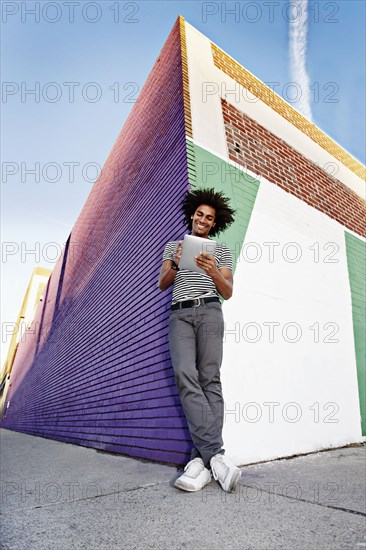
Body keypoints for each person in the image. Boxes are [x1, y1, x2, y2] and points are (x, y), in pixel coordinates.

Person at [158, 188, 241, 493]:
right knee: (184, 374)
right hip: (179, 314)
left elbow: (228, 290)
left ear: (214, 223)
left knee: (210, 379)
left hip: (209, 310)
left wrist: (212, 271)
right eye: (200, 214)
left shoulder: (221, 250)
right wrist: (178, 263)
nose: (204, 220)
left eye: (210, 217)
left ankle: (199, 462)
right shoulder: (173, 246)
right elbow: (162, 282)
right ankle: (216, 457)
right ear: (192, 215)